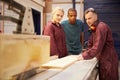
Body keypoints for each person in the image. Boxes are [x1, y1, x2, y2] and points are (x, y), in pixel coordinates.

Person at [77, 8, 118, 80]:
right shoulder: (94, 28)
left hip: (108, 60)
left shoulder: (101, 27)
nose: (87, 21)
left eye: (89, 18)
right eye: (86, 19)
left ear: (96, 17)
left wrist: (84, 56)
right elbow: (91, 44)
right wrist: (85, 52)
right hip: (103, 59)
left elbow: (97, 47)